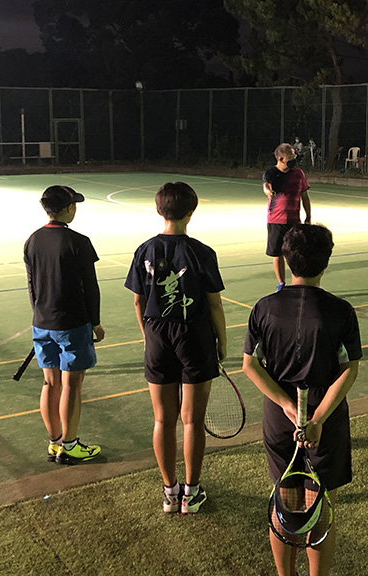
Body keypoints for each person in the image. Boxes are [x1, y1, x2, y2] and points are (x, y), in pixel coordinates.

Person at [243, 224, 362, 576]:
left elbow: (250, 365)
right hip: (324, 426)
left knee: (285, 505)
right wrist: (318, 419)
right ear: (326, 262)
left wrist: (284, 404)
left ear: (285, 258)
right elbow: (349, 370)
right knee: (320, 508)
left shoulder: (264, 308)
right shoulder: (340, 311)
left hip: (281, 424)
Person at [125, 182, 227, 514]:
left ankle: (170, 492)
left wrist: (148, 337)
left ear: (158, 211)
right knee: (192, 421)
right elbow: (215, 305)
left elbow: (139, 302)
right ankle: (192, 493)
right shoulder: (202, 252)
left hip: (157, 334)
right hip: (194, 335)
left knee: (162, 419)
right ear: (191, 211)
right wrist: (222, 343)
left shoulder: (144, 250)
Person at [24, 185, 104, 464]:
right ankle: (70, 446)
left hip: (41, 321)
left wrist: (40, 316)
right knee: (72, 384)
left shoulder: (32, 240)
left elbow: (32, 285)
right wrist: (95, 322)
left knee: (49, 383)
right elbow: (90, 287)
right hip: (72, 323)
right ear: (68, 208)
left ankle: (55, 442)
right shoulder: (78, 241)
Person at [263, 143, 312, 292]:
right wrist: (269, 192)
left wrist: (308, 216)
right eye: (292, 155)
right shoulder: (271, 173)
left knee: (295, 253)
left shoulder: (299, 174)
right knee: (277, 253)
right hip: (276, 220)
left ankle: (297, 282)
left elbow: (305, 196)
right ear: (282, 158)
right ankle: (281, 284)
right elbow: (266, 186)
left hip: (294, 221)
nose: (295, 157)